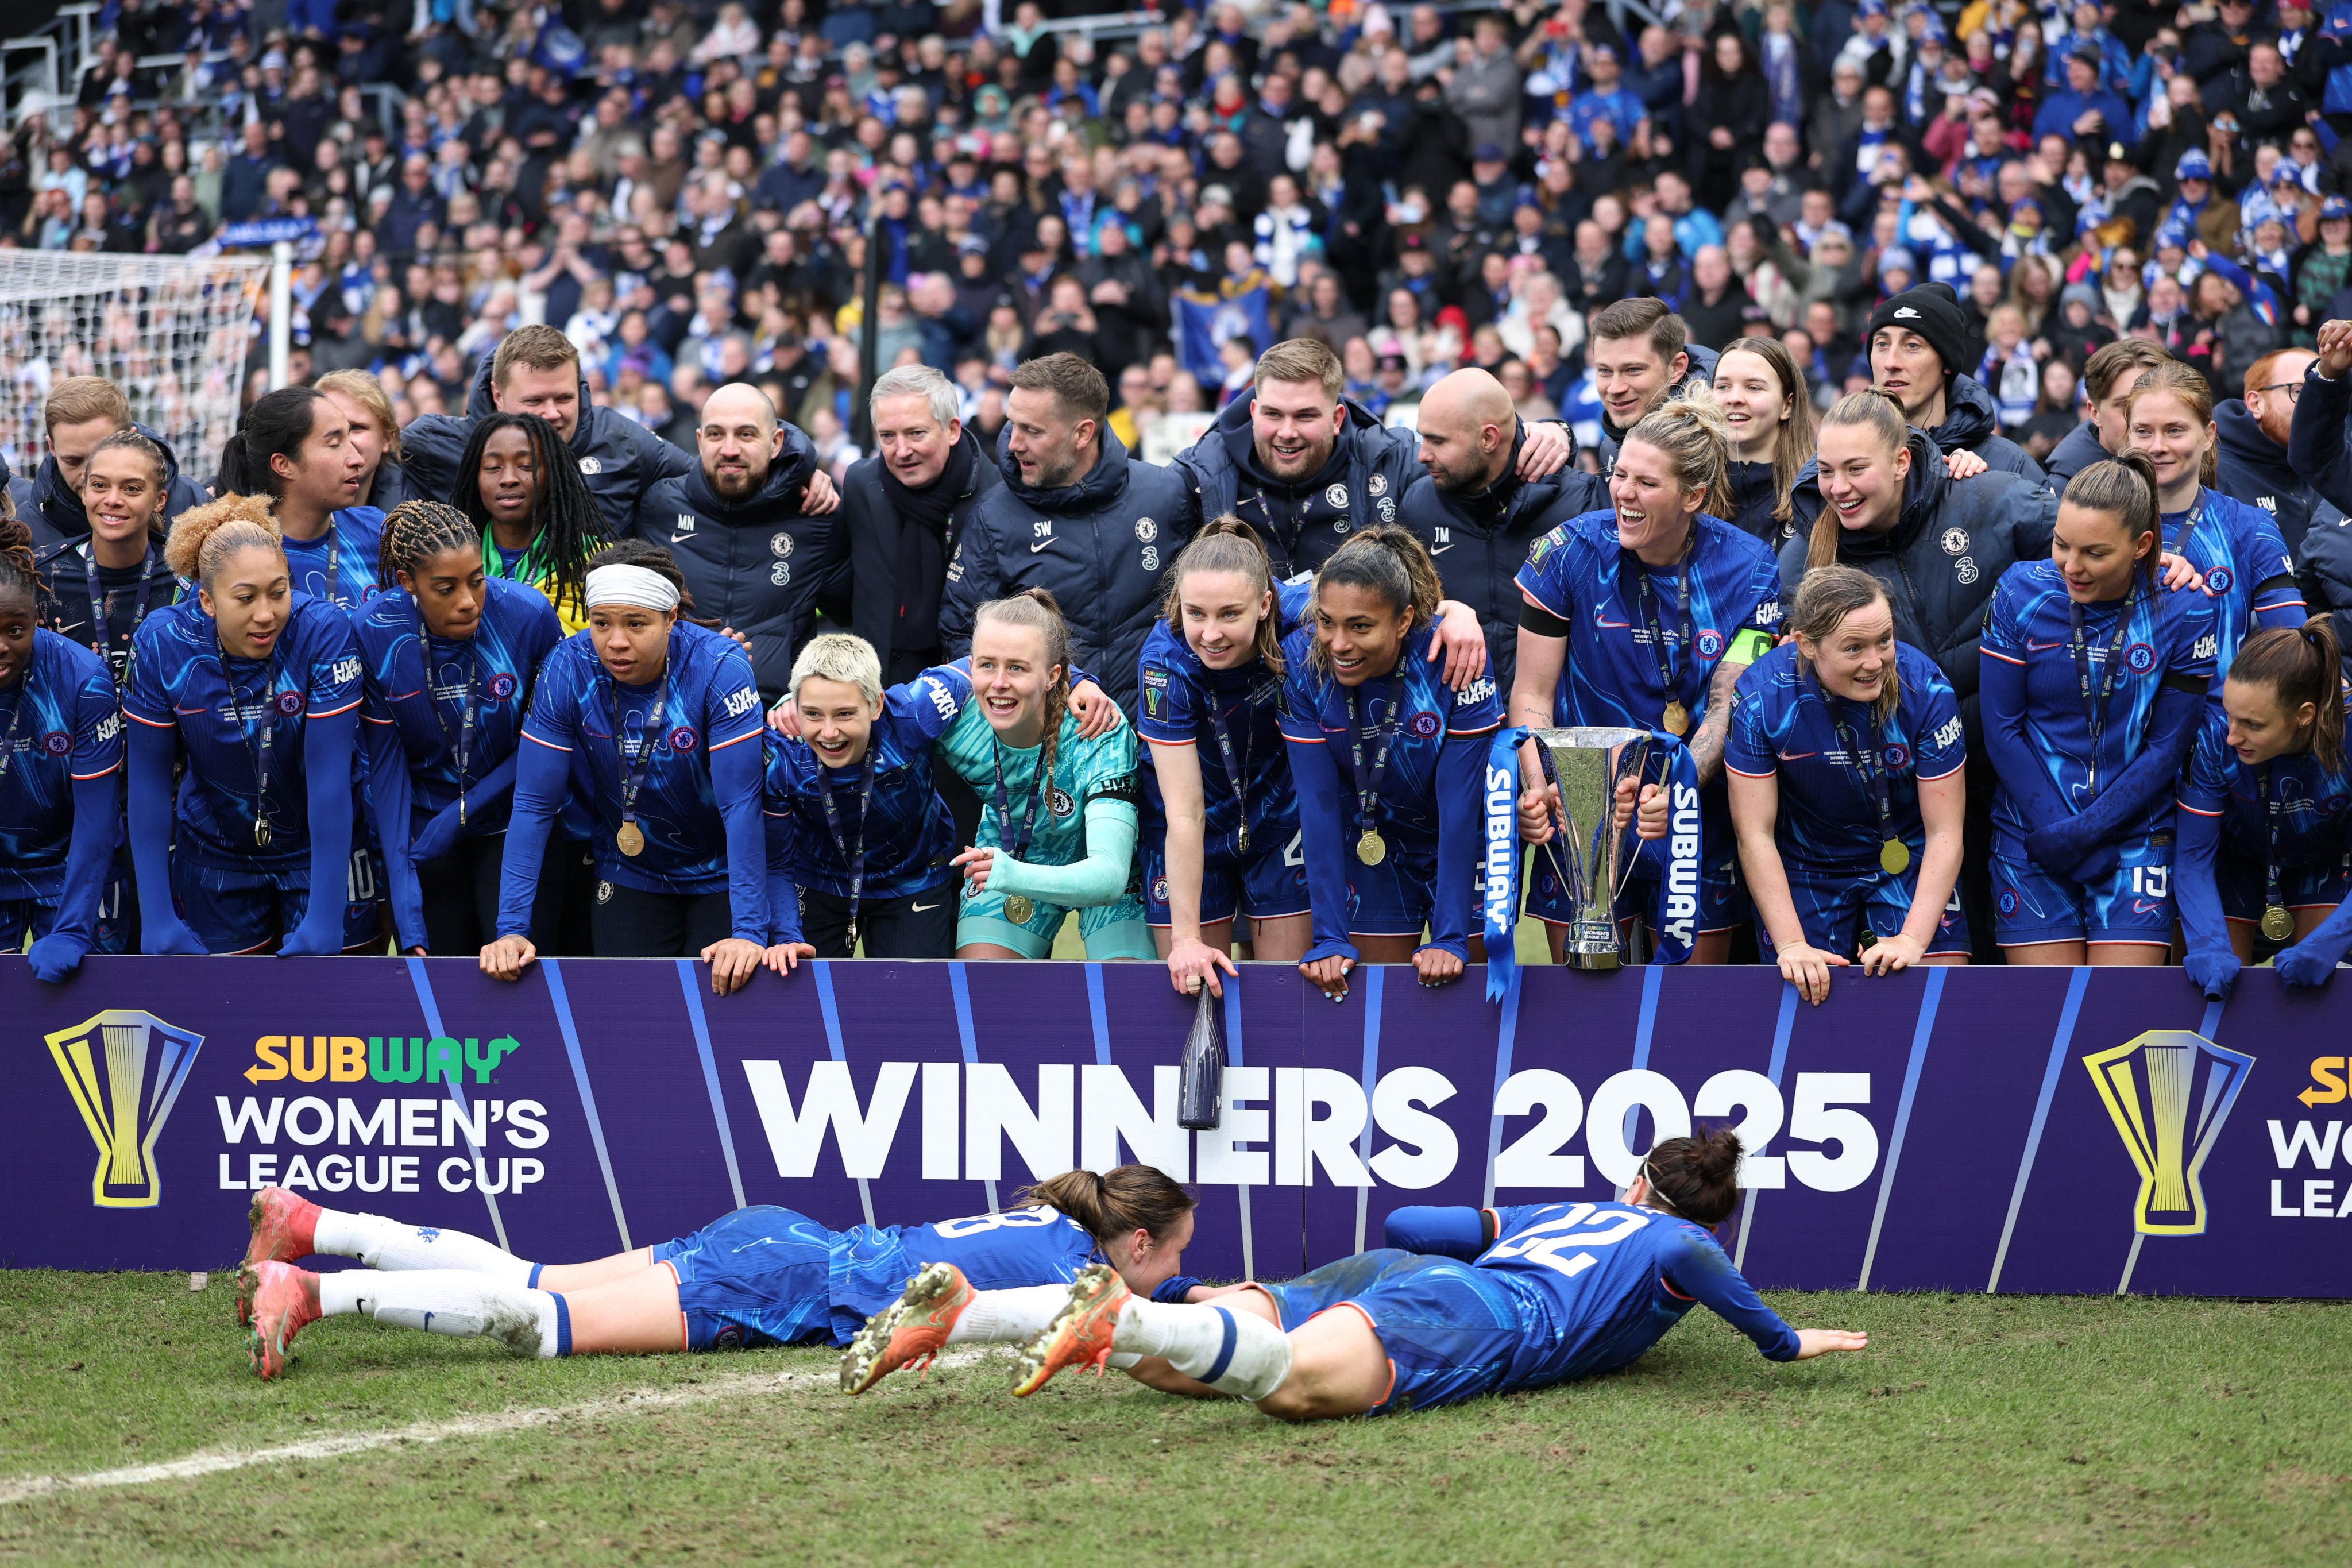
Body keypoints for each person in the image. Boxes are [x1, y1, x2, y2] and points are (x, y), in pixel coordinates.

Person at [878, 1129, 1864, 1418]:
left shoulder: (1563, 1209)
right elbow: (1733, 1297)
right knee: (1288, 1388)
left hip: (1397, 1267)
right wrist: (1789, 1341)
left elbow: (1408, 1220)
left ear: (1638, 1178)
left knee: (1193, 1375)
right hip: (1480, 1320)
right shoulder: (1682, 1246)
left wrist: (1489, 1223)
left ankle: (972, 1313)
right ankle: (1116, 1321)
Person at [238, 1164, 1198, 1382]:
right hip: (782, 1282)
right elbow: (1112, 1333)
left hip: (785, 1239)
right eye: (1178, 1254)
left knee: (539, 1278)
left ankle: (313, 1221)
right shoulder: (1081, 1271)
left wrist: (1189, 1292)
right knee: (542, 1321)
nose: (1177, 1271)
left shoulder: (1053, 1222)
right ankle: (316, 1292)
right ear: (1139, 1245)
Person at [1511, 390, 1783, 965]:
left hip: (1689, 814)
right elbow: (1533, 693)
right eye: (1619, 475)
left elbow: (1725, 705)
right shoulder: (1568, 550)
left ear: (1694, 496)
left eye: (1646, 484)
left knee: (1689, 1016)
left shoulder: (1752, 567)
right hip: (1584, 807)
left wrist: (1677, 787)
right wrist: (1543, 787)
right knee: (1585, 1002)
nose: (1624, 494)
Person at [480, 541, 769, 987]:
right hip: (630, 872)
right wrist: (512, 930)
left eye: (636, 624)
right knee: (633, 1032)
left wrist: (749, 931)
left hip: (724, 874)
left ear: (671, 617)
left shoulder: (719, 666)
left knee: (721, 1033)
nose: (616, 642)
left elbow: (741, 805)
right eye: (601, 623)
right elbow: (535, 805)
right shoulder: (568, 666)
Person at [1979, 456, 2218, 965]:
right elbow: (2001, 729)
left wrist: (2086, 832)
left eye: (2095, 552)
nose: (2071, 565)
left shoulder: (2187, 607)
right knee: (2045, 1027)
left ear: (2141, 547)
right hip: (2031, 832)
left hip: (2135, 833)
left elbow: (2167, 746)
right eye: (2061, 544)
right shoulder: (2019, 591)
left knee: (2120, 1025)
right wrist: (2059, 833)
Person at [123, 494, 376, 956]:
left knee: (339, 1014)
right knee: (227, 1017)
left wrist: (324, 917)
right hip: (216, 852)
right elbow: (147, 787)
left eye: (279, 593)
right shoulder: (164, 642)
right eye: (245, 598)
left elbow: (329, 782)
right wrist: (157, 916)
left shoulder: (322, 629)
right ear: (206, 601)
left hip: (317, 850)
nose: (265, 614)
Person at [1726, 566, 1970, 1003]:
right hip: (1805, 862)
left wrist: (1912, 940)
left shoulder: (1927, 690)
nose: (1874, 662)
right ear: (1806, 645)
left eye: (1884, 641)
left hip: (1907, 853)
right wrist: (1790, 945)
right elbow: (1754, 834)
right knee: (1803, 998)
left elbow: (1945, 831)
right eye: (1853, 648)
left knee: (1933, 1000)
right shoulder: (1762, 697)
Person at [1282, 525, 1502, 997]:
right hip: (1373, 838)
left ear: (1403, 621)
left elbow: (1460, 807)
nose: (1337, 643)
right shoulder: (1302, 660)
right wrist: (1328, 937)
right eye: (1326, 622)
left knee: (1469, 1006)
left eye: (1360, 626)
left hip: (1466, 841)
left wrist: (1449, 937)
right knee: (1374, 1001)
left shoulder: (1455, 658)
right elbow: (1317, 806)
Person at [1171, 338, 1573, 581]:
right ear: (1254, 412)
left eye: (1306, 416)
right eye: (1274, 415)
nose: (1287, 431)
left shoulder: (1391, 460)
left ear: (1336, 418)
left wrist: (1549, 432)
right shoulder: (1200, 475)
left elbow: (1476, 461)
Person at [356, 500, 566, 956]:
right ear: (409, 582)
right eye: (445, 589)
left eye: (477, 580)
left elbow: (547, 745)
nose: (468, 601)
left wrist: (461, 813)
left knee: (517, 973)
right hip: (424, 829)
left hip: (515, 820)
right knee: (442, 982)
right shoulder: (374, 630)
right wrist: (406, 908)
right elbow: (386, 769)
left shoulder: (529, 616)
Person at [403, 325, 839, 541]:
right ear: (497, 395)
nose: (552, 415)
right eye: (534, 403)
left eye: (564, 397)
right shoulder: (439, 445)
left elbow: (712, 475)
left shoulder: (622, 442)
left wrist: (795, 469)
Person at [941, 353, 1191, 715]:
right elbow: (963, 636)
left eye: (1032, 430)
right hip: (1051, 748)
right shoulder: (994, 515)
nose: (1013, 443)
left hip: (1158, 737)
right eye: (1013, 425)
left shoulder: (1165, 494)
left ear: (1083, 433)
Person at [936, 589, 1152, 961]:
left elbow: (1110, 876)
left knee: (1126, 999)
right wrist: (798, 704)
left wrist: (1010, 874)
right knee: (984, 992)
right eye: (987, 665)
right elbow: (873, 713)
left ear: (1053, 675)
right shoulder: (953, 718)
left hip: (1108, 864)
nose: (999, 683)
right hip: (1010, 853)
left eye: (1016, 667)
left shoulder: (1097, 726)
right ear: (969, 666)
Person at [758, 633, 968, 960]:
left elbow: (982, 666)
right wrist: (787, 936)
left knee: (913, 1008)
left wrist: (1077, 682)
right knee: (805, 1004)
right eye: (812, 714)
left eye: (844, 714)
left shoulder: (913, 712)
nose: (829, 732)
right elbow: (775, 860)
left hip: (914, 878)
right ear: (794, 705)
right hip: (818, 880)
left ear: (877, 705)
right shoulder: (780, 751)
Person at [1397, 367, 1607, 694]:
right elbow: (1402, 610)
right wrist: (1445, 609)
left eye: (1437, 441)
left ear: (1489, 439)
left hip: (1561, 721)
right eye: (1422, 437)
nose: (1423, 454)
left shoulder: (1580, 505)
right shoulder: (1417, 505)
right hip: (1459, 727)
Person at [2177, 620, 2352, 998]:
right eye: (2229, 714)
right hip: (2237, 857)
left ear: (2304, 715)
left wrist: (2329, 943)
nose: (2231, 736)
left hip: (2323, 859)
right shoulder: (2214, 735)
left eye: (2252, 725)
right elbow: (2192, 858)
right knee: (2211, 992)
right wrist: (2208, 946)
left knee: (2315, 993)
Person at [630, 382, 837, 701]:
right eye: (716, 434)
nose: (729, 448)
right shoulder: (658, 504)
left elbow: (855, 613)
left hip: (779, 722)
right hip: (672, 711)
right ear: (700, 441)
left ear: (776, 442)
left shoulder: (816, 513)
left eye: (746, 434)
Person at [0, 512, 126, 982]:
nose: (3, 647)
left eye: (16, 630)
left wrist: (74, 928)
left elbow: (96, 818)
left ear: (37, 618)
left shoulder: (81, 678)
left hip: (67, 867)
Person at [2122, 361, 2304, 678]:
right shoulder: (2100, 521)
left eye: (2174, 430)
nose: (2157, 447)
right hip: (2113, 719)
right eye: (2143, 432)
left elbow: (2291, 647)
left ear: (2208, 436)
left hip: (2222, 722)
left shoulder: (2250, 526)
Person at [843, 365, 1001, 688]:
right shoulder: (861, 483)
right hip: (878, 693)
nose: (902, 451)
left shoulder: (997, 496)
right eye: (888, 436)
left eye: (916, 433)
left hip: (969, 693)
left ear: (953, 429)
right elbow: (836, 581)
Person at [34, 428, 180, 690]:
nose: (112, 500)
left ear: (160, 500)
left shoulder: (188, 576)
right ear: (85, 493)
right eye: (100, 485)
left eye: (132, 489)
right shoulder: (42, 575)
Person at [215, 386, 383, 612]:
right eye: (335, 444)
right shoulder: (234, 556)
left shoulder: (379, 531)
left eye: (351, 438)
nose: (356, 459)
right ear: (284, 465)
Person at [1863, 283, 2044, 482]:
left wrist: (1978, 492)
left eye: (1912, 345)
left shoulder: (2010, 467)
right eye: (1882, 344)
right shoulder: (1841, 458)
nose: (1891, 363)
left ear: (1947, 363)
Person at [453, 411, 609, 632]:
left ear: (552, 475)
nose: (509, 479)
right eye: (493, 468)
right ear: (475, 477)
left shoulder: (595, 564)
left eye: (527, 466)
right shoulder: (453, 560)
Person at [14, 376, 208, 552]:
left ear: (131, 438)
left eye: (100, 457)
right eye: (72, 461)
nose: (88, 474)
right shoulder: (26, 534)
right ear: (52, 448)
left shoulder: (190, 503)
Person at [1584, 297, 1721, 473]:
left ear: (1677, 367)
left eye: (1633, 370)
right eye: (1605, 371)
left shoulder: (1733, 434)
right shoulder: (1611, 444)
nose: (1614, 388)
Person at [2212, 348, 2323, 558]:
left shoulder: (2336, 463)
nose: (2314, 402)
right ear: (2255, 403)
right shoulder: (2214, 470)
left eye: (2322, 392)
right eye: (2298, 391)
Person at [1713, 335, 1818, 548]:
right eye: (1723, 387)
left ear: (1787, 406)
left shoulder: (1819, 489)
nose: (1734, 398)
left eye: (1753, 388)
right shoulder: (1687, 487)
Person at [2046, 340, 2172, 489]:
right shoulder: (2065, 491)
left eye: (2155, 403)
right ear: (2095, 414)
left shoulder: (2191, 462)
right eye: (2125, 405)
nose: (2142, 419)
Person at [316, 368, 421, 513]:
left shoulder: (416, 522)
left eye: (356, 427)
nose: (345, 441)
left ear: (387, 439)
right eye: (331, 428)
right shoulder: (278, 522)